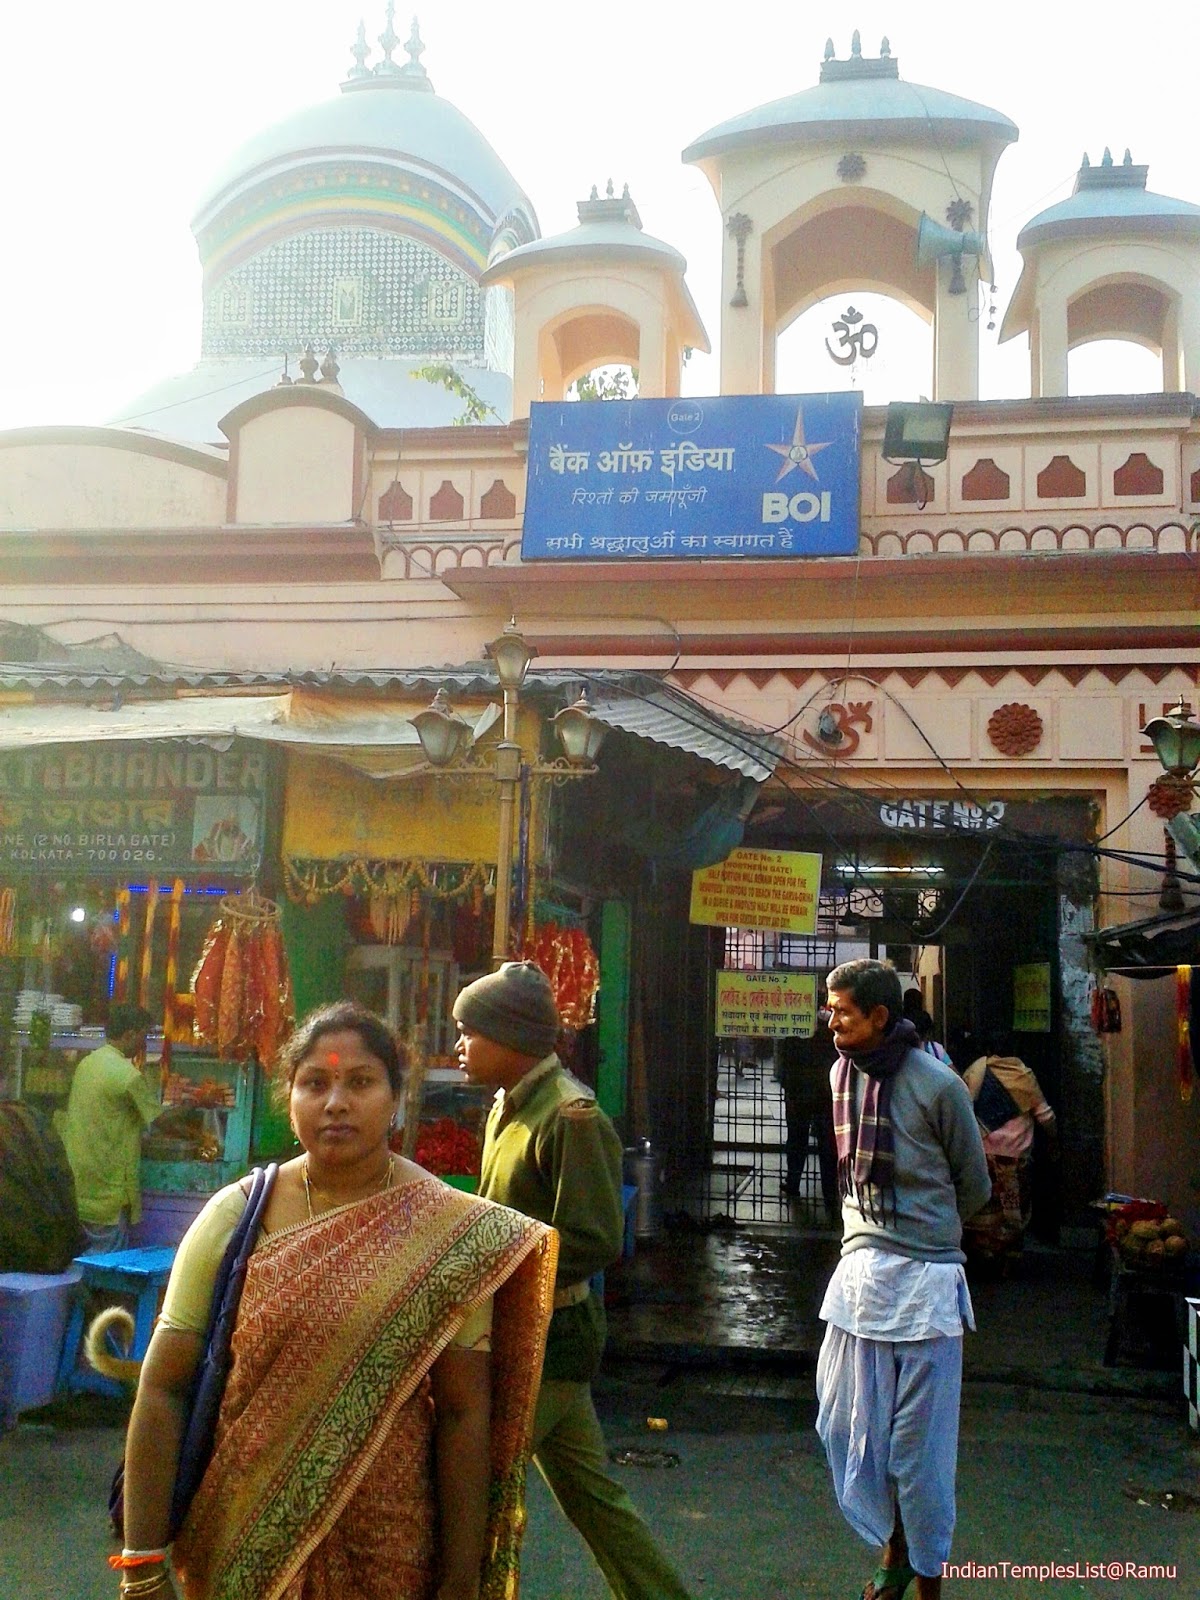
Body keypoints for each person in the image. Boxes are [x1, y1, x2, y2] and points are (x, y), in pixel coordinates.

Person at [114, 1000, 557, 1600]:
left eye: (361, 1082)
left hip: (391, 1548)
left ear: (396, 1100)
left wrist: (459, 1580)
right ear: (290, 1099)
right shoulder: (235, 1216)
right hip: (239, 1540)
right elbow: (164, 1387)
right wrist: (141, 1567)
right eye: (315, 1083)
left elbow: (462, 1414)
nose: (336, 1103)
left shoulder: (446, 1233)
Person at [454, 961, 694, 1600]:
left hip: (552, 1337)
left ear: (509, 1038)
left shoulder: (569, 1116)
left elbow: (591, 1239)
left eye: (470, 1031)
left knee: (463, 1492)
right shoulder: (508, 1106)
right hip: (521, 1330)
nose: (459, 1045)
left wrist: (492, 1263)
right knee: (594, 1500)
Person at [816, 960, 990, 1600]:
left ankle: (926, 1577)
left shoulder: (939, 1086)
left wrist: (925, 1236)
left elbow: (975, 1186)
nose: (830, 1022)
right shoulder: (839, 1075)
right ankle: (894, 1549)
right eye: (829, 1009)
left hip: (926, 1288)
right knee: (845, 1426)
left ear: (880, 1017)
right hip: (860, 1280)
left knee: (918, 1454)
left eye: (842, 1011)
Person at [60, 1002, 159, 1253]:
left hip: (81, 1182)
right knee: (109, 1271)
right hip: (109, 1188)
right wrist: (194, 1105)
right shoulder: (128, 1075)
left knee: (82, 1264)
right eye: (143, 1036)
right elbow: (158, 1120)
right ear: (130, 1035)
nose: (144, 1043)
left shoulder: (88, 1064)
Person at [956, 1030, 1058, 1266]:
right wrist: (1054, 1139)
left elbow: (962, 1106)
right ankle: (1007, 1261)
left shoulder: (977, 1070)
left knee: (983, 1209)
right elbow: (1045, 1115)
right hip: (1015, 1156)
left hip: (984, 1153)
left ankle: (981, 1259)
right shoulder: (1024, 1075)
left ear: (989, 1051)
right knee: (1013, 1210)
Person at [0, 1099, 83, 1272]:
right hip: (49, 1249)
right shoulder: (33, 1119)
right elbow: (62, 1182)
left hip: (20, 1249)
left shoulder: (24, 1120)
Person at [774, 1014, 839, 1222]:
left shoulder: (794, 1030)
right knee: (827, 1147)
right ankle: (831, 1193)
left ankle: (793, 1181)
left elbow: (785, 1063)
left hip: (799, 1094)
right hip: (823, 1095)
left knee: (796, 1140)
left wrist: (788, 1086)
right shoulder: (830, 1031)